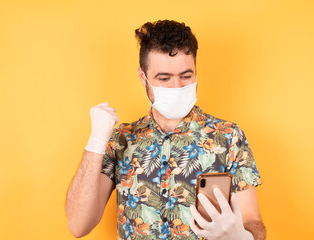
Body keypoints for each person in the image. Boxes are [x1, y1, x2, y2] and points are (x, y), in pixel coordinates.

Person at [66, 19, 266, 240]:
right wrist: (96, 142)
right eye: (164, 78)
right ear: (144, 77)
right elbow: (78, 225)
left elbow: (253, 222)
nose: (177, 87)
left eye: (186, 76)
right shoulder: (121, 139)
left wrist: (242, 237)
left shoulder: (229, 136)